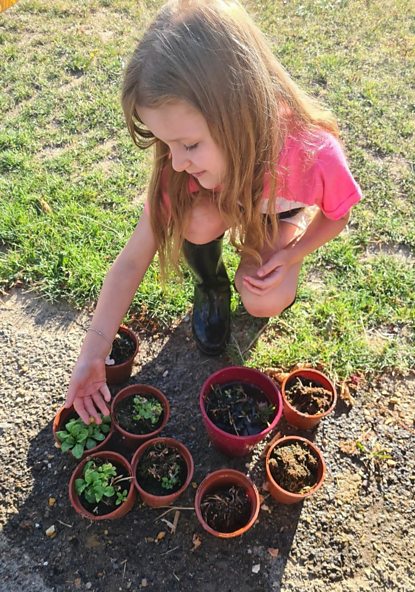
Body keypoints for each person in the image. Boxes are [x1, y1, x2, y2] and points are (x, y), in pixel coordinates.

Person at [65, 0, 362, 424]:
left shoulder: (309, 149)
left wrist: (287, 255)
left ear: (238, 112)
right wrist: (92, 354)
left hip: (274, 211)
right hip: (225, 204)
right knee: (195, 218)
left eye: (188, 145)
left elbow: (337, 214)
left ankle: (266, 256)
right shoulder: (181, 166)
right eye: (166, 144)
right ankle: (211, 286)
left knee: (264, 298)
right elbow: (132, 260)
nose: (177, 160)